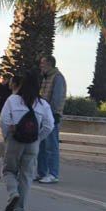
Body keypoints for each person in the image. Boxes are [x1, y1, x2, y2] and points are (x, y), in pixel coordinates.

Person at [0, 69, 54, 211]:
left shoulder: (13, 100)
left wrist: (7, 136)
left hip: (15, 140)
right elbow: (50, 125)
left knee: (9, 170)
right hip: (32, 143)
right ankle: (20, 208)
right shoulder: (43, 104)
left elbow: (4, 120)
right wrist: (38, 138)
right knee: (26, 174)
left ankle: (13, 194)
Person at [35, 55, 66, 184]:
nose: (41, 65)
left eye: (43, 63)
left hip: (51, 115)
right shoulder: (45, 77)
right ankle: (41, 172)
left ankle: (53, 173)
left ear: (50, 64)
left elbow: (57, 98)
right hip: (42, 114)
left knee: (51, 145)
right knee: (41, 145)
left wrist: (51, 114)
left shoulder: (57, 77)